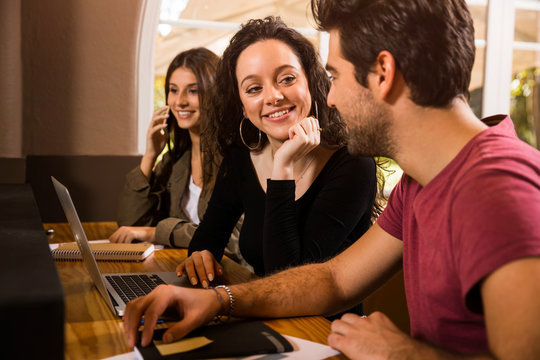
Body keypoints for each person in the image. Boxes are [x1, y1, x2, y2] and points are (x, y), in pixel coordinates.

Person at [124, 1, 540, 359]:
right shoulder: (420, 181)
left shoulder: (497, 188)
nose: (332, 97)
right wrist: (218, 300)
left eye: (335, 75)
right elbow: (333, 279)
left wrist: (403, 353)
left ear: (383, 73)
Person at [176, 17, 381, 288]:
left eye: (287, 79)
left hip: (323, 327)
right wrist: (200, 256)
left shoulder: (353, 165)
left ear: (310, 81)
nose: (273, 96)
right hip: (260, 316)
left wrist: (282, 166)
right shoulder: (241, 156)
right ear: (241, 105)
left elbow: (289, 283)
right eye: (254, 88)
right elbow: (208, 238)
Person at [110, 48, 242, 262]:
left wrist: (155, 233)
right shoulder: (175, 160)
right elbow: (131, 226)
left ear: (217, 94)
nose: (179, 101)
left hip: (231, 280)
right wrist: (150, 156)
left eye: (193, 91)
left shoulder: (239, 159)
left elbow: (234, 240)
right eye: (173, 89)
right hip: (181, 270)